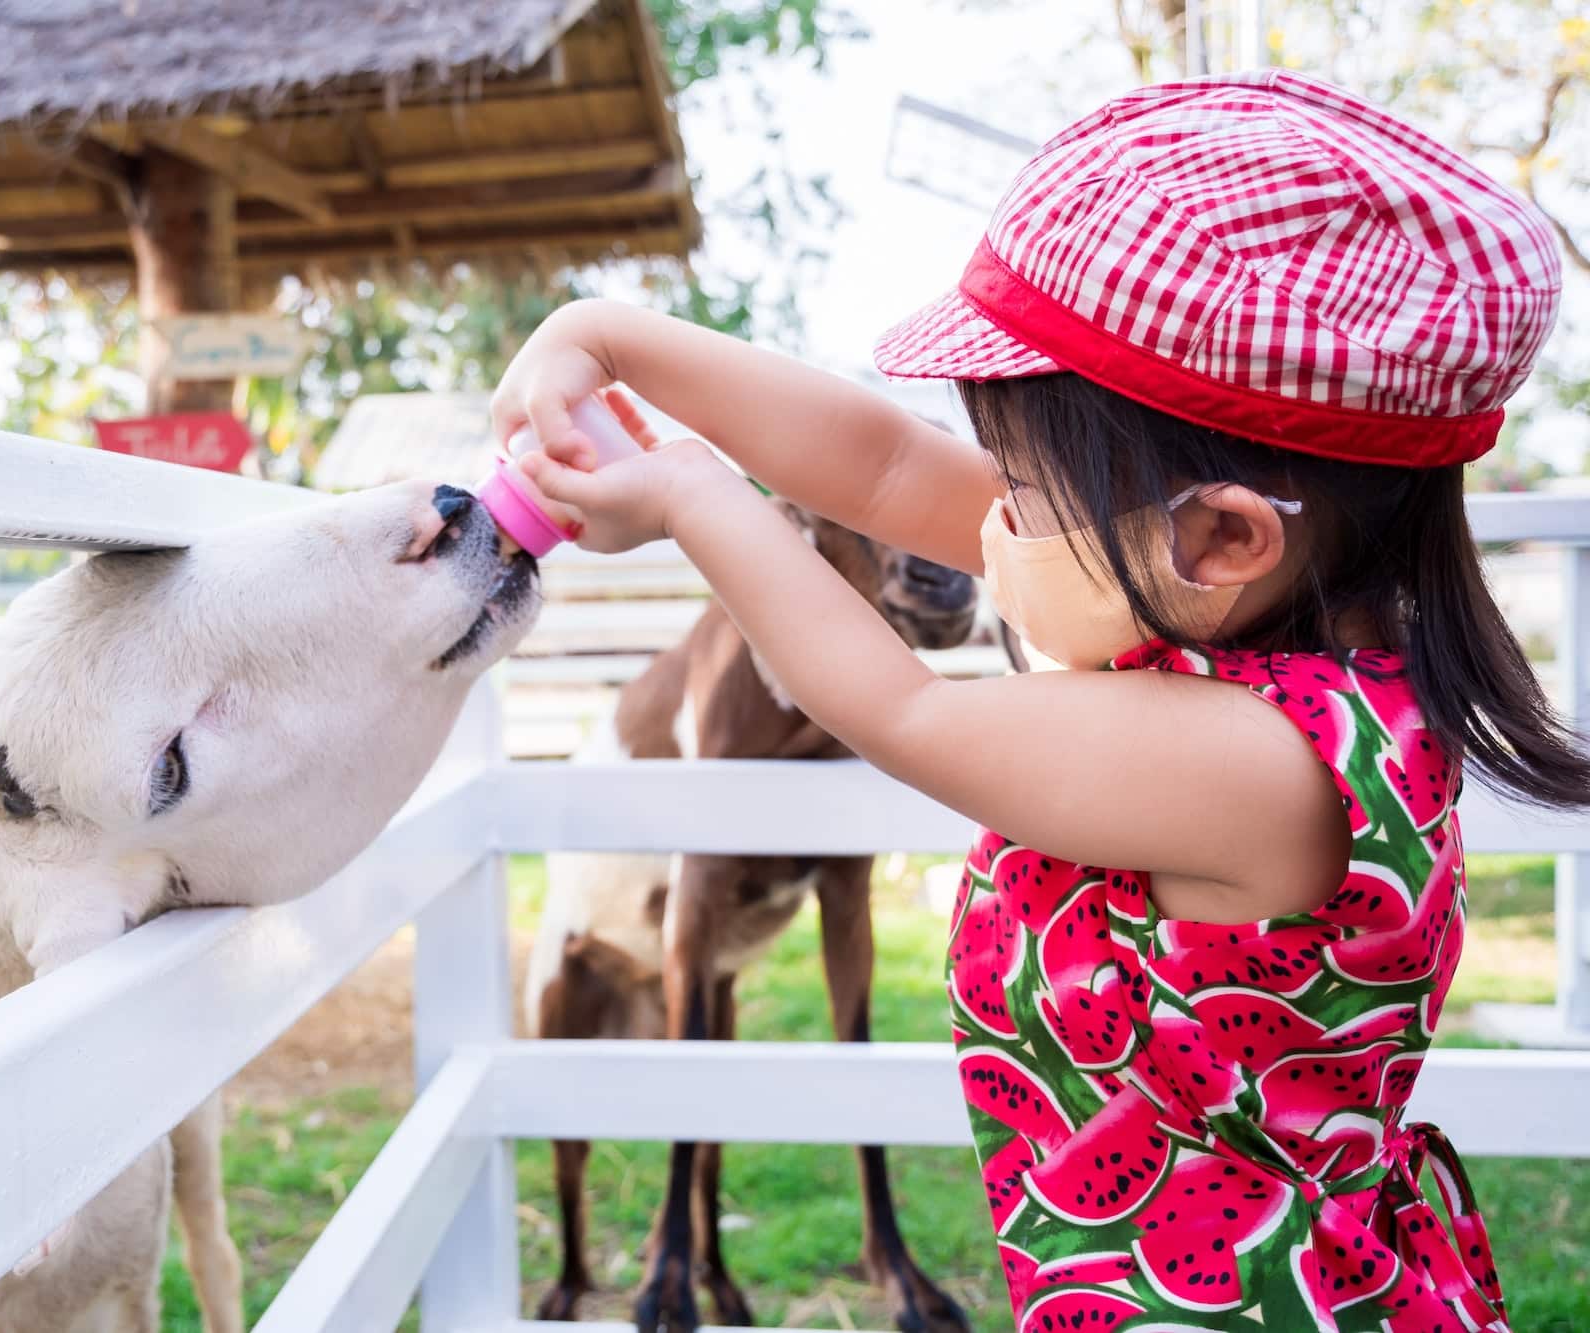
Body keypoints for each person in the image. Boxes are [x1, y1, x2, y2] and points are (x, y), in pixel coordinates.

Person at [493, 70, 1588, 1332]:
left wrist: (693, 496)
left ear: (1225, 539)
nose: (986, 517)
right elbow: (888, 462)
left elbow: (897, 708)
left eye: (1019, 485)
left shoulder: (1254, 761)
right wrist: (614, 337)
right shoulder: (1280, 647)